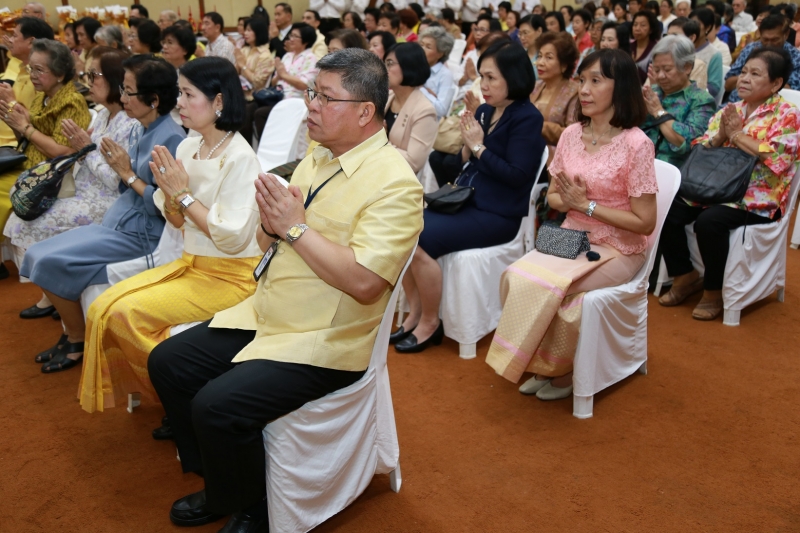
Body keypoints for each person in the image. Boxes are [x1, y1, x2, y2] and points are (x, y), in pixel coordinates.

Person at [147, 47, 422, 532]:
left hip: (325, 339)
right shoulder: (318, 154)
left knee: (217, 405)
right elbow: (265, 239)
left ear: (365, 112)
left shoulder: (396, 184)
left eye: (325, 96)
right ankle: (220, 483)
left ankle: (253, 510)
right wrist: (276, 227)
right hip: (269, 312)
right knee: (168, 362)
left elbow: (363, 283)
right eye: (312, 91)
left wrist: (294, 228)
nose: (310, 104)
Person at [78, 57, 264, 413]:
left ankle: (179, 394)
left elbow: (231, 238)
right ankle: (174, 392)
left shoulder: (241, 157)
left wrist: (182, 195)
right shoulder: (187, 147)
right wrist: (174, 197)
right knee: (105, 306)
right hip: (192, 265)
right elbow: (177, 222)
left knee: (124, 313)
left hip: (232, 276)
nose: (178, 102)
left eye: (188, 94)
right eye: (179, 92)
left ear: (219, 102)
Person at [486, 49, 657, 400]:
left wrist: (587, 206)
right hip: (571, 235)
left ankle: (562, 369)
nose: (585, 89)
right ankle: (539, 361)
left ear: (621, 87)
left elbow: (645, 222)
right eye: (582, 80)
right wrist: (571, 202)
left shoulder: (637, 145)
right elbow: (553, 200)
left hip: (619, 246)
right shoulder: (571, 135)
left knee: (563, 294)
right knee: (517, 277)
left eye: (596, 81)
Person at [20, 55, 186, 373]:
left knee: (50, 262)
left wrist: (126, 173)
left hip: (143, 234)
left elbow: (169, 206)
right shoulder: (143, 129)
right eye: (122, 89)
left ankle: (76, 339)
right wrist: (124, 173)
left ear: (153, 99)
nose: (122, 98)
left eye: (128, 92)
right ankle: (71, 332)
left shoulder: (171, 139)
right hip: (121, 220)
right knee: (39, 252)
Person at [393, 40, 545, 354]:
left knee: (420, 240)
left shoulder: (528, 118)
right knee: (400, 226)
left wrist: (478, 146)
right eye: (483, 77)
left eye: (491, 78)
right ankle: (417, 312)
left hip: (497, 214)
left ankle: (430, 322)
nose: (484, 85)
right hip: (466, 200)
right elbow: (469, 162)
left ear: (514, 77)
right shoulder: (488, 110)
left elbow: (517, 177)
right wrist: (468, 143)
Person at [658, 48, 800, 320]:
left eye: (755, 74)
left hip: (756, 196)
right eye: (744, 71)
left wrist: (736, 135)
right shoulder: (731, 108)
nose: (744, 78)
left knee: (710, 222)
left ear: (776, 83)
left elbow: (778, 158)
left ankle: (713, 292)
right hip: (716, 187)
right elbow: (701, 146)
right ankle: (684, 275)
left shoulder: (787, 114)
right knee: (668, 209)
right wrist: (720, 136)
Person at [5, 47, 138, 320]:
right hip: (84, 188)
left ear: (114, 79)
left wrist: (85, 148)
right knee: (18, 217)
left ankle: (60, 296)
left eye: (94, 74)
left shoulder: (129, 122)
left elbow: (117, 181)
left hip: (109, 201)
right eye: (87, 73)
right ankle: (53, 292)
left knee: (27, 223)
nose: (88, 80)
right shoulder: (103, 114)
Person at [0, 39, 90, 264]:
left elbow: (64, 152)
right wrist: (15, 121)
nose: (32, 75)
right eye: (31, 68)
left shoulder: (72, 102)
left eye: (39, 70)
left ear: (60, 74)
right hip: (31, 164)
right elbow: (30, 135)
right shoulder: (43, 96)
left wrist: (25, 127)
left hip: (51, 176)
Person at [641, 35, 716, 168]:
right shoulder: (651, 93)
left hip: (674, 173)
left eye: (667, 69)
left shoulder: (701, 100)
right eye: (657, 70)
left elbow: (688, 142)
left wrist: (659, 112)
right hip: (639, 166)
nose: (660, 76)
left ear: (687, 67)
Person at [253, 23, 319, 141]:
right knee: (253, 106)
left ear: (306, 40)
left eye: (295, 36)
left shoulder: (311, 58)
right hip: (278, 96)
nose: (290, 39)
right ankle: (266, 144)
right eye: (290, 35)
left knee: (260, 113)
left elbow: (304, 84)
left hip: (295, 100)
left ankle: (269, 144)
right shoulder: (288, 56)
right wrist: (278, 76)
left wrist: (283, 74)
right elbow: (274, 83)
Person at [0, 17, 54, 149]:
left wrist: (11, 101)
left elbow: (42, 125)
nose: (10, 40)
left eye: (14, 36)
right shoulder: (23, 69)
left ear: (31, 42)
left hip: (12, 145)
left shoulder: (43, 78)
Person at [384, 42, 437, 174]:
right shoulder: (386, 97)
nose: (385, 69)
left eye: (390, 63)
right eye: (384, 63)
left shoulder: (424, 111)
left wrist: (380, 142)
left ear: (408, 66)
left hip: (398, 180)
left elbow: (413, 163)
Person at [725, 15, 800, 103]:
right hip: (735, 102)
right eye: (765, 39)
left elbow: (790, 92)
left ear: (786, 34)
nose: (769, 45)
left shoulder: (795, 57)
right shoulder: (750, 49)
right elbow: (728, 84)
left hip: (771, 109)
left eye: (775, 40)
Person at [530, 31, 580, 164]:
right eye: (539, 56)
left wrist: (536, 126)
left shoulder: (574, 92)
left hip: (555, 160)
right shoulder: (534, 87)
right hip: (528, 152)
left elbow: (573, 135)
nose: (540, 62)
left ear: (564, 65)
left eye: (548, 57)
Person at [236, 17, 275, 143]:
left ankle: (245, 146)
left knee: (245, 111)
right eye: (245, 30)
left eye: (249, 30)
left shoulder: (265, 55)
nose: (245, 33)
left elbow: (258, 82)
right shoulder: (244, 50)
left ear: (258, 32)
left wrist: (243, 66)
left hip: (255, 97)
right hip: (239, 93)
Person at [684, 12, 724, 99]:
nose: (692, 28)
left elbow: (714, 88)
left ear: (708, 27)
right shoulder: (682, 48)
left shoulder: (714, 54)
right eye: (690, 23)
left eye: (696, 24)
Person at [419, 26, 455, 118]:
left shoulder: (445, 75)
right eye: (421, 45)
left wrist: (420, 88)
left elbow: (441, 109)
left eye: (428, 47)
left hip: (429, 120)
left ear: (440, 53)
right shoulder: (414, 66)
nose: (422, 49)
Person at [631, 10, 660, 83]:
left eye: (643, 25)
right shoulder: (628, 46)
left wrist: (633, 66)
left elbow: (653, 76)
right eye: (635, 24)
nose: (637, 28)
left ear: (651, 29)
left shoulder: (657, 49)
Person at [519, 15, 545, 80]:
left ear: (539, 31)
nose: (522, 37)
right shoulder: (520, 54)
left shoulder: (546, 55)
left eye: (525, 33)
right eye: (520, 34)